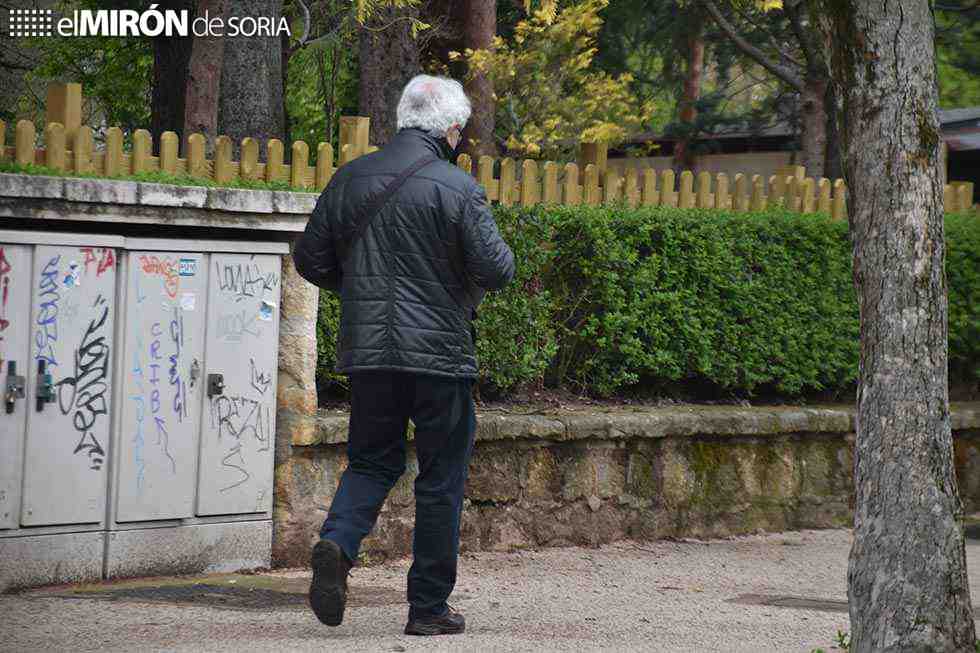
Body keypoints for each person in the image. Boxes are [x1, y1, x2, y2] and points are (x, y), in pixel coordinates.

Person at [293, 74, 515, 636]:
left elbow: (310, 260)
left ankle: (339, 545)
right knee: (441, 478)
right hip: (440, 355)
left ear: (402, 119)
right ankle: (427, 610)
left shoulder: (350, 178)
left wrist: (363, 290)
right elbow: (498, 270)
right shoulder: (457, 188)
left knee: (372, 461)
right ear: (453, 130)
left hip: (370, 354)